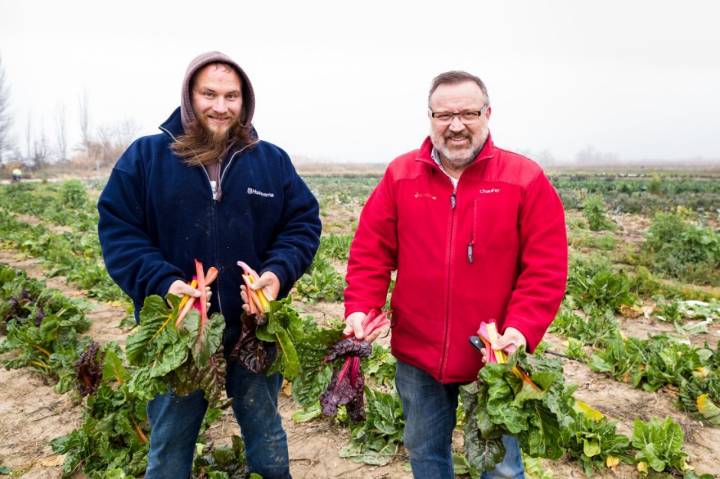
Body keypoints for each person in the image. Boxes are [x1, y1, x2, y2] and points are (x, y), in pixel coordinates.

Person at [97, 51, 321, 479]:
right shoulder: (146, 159)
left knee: (267, 437)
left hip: (253, 327)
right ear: (189, 97)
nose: (221, 106)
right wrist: (163, 283)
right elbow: (119, 231)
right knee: (169, 446)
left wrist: (276, 274)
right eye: (209, 94)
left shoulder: (271, 161)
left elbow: (302, 224)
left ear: (245, 101)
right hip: (180, 332)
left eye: (231, 96)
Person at [343, 71, 568, 479]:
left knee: (501, 467)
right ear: (430, 117)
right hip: (419, 350)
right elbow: (370, 253)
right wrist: (361, 306)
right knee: (425, 453)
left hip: (495, 354)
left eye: (468, 113)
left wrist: (520, 330)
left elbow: (545, 270)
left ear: (488, 114)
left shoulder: (524, 179)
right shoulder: (400, 176)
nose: (457, 125)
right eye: (444, 114)